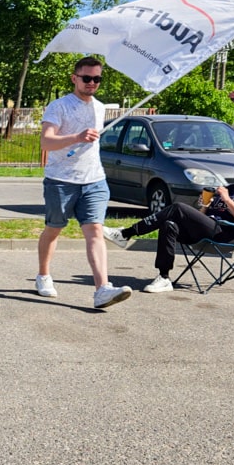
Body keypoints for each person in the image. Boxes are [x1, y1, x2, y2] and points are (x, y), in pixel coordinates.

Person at [35, 56, 132, 309]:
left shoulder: (99, 108)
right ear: (74, 78)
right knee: (54, 229)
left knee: (95, 232)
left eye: (97, 79)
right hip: (61, 180)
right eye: (87, 78)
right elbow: (46, 142)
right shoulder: (59, 106)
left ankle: (102, 289)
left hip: (94, 180)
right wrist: (76, 137)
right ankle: (44, 275)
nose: (92, 83)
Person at [103, 153, 234, 293]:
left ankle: (125, 234)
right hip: (209, 230)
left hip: (227, 236)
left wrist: (226, 199)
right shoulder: (232, 188)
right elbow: (204, 215)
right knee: (169, 224)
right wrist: (205, 205)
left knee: (178, 208)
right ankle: (164, 277)